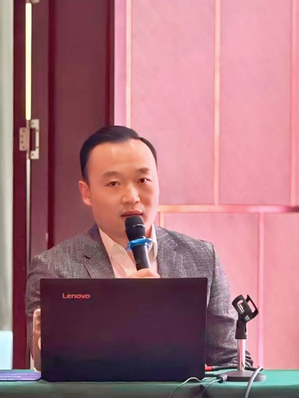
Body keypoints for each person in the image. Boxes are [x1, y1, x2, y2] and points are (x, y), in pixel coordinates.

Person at [25, 125, 251, 370]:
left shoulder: (202, 257)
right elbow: (46, 362)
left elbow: (231, 361)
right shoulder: (53, 267)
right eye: (113, 183)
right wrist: (122, 312)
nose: (132, 197)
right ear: (86, 193)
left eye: (143, 180)